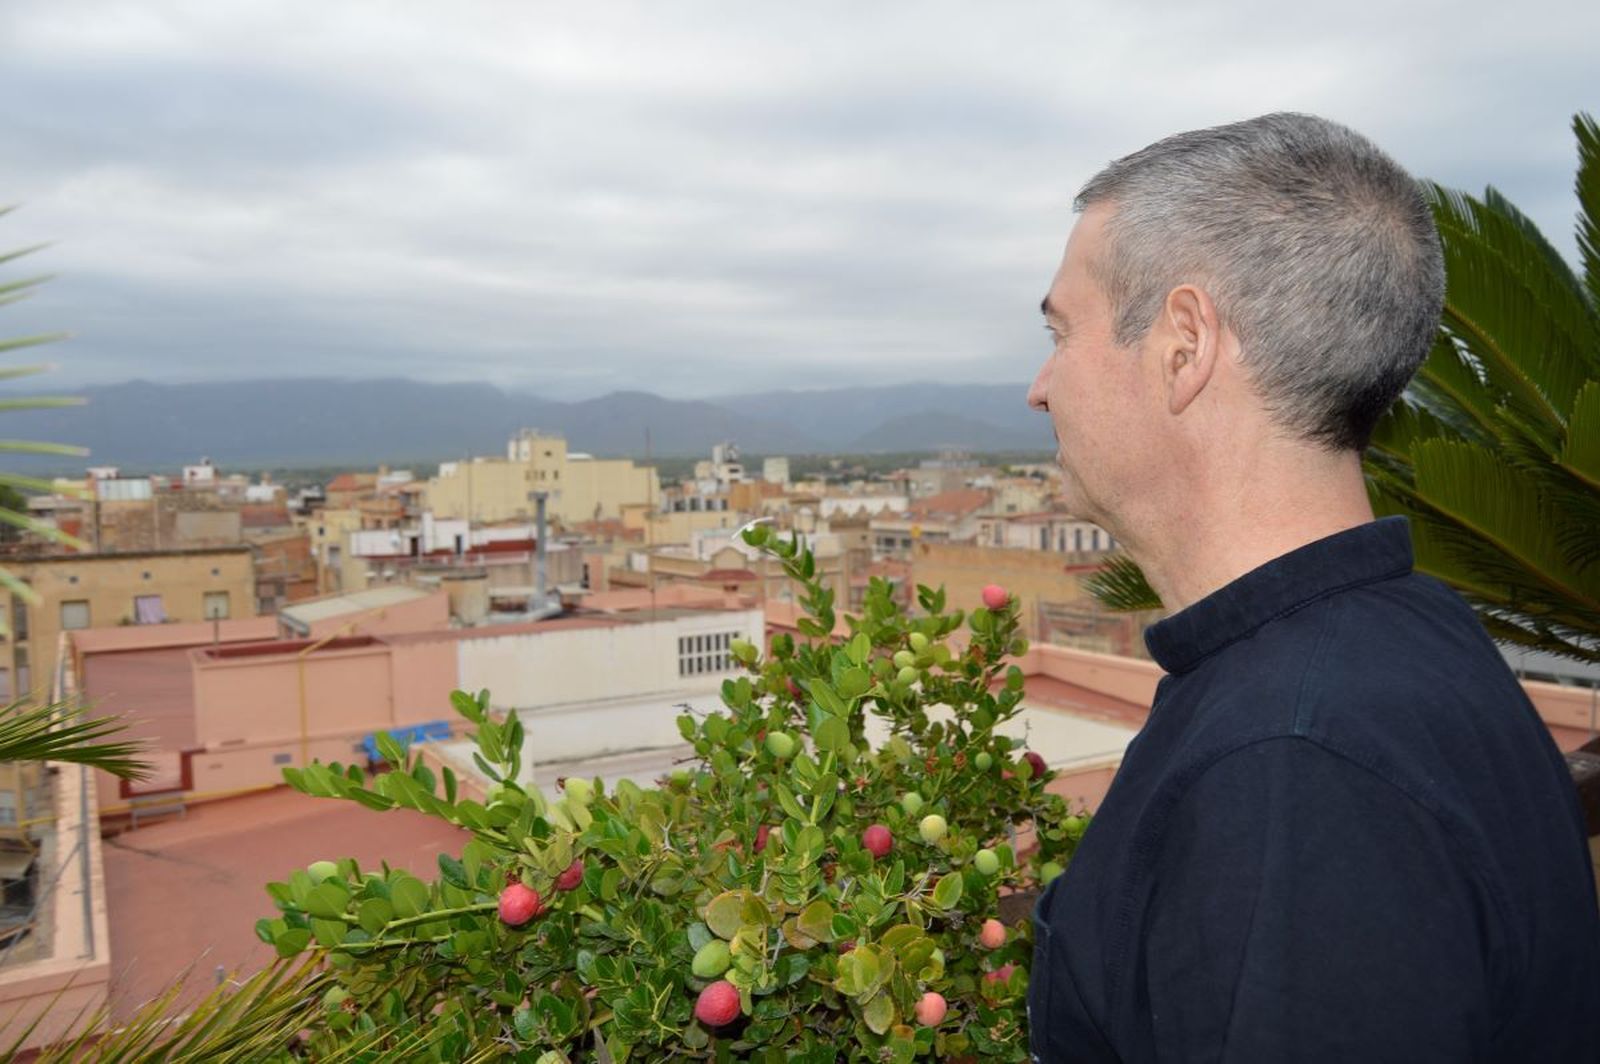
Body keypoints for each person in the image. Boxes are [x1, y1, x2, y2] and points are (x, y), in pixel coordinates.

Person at [1025, 113, 1600, 1062]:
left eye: (1062, 331)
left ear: (1183, 344)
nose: (1041, 387)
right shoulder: (1406, 638)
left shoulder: (1291, 767)